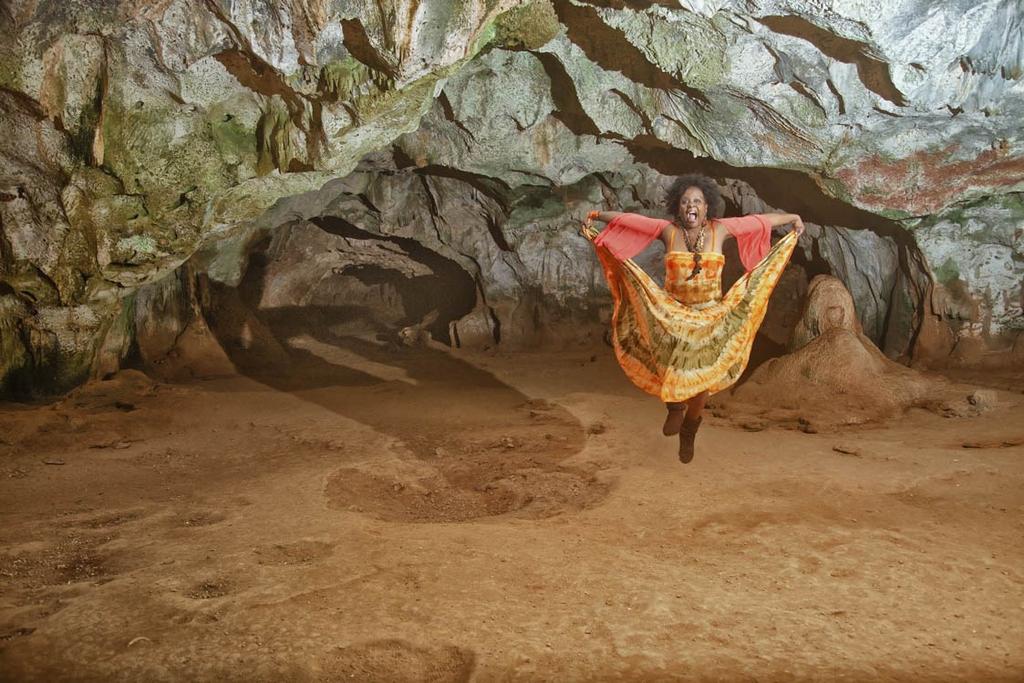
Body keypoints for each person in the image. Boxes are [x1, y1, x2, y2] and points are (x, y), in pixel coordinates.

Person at [580, 174, 804, 463]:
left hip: (710, 316)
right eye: (685, 201)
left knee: (702, 379)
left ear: (707, 207)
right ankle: (674, 408)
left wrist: (792, 217)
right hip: (672, 313)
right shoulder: (667, 231)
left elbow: (759, 221)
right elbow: (630, 220)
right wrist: (597, 215)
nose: (691, 206)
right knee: (669, 362)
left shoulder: (720, 230)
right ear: (678, 206)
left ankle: (690, 427)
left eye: (697, 201)